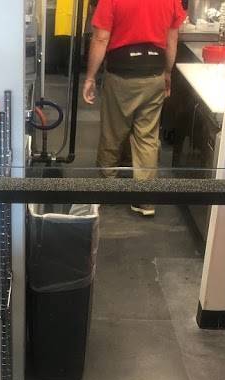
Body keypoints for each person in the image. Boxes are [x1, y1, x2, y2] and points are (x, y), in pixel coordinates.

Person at [83, 0, 185, 217]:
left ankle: (108, 190)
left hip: (121, 74)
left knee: (113, 132)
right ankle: (145, 200)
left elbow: (101, 38)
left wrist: (90, 77)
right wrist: (167, 73)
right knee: (147, 137)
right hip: (154, 74)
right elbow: (172, 39)